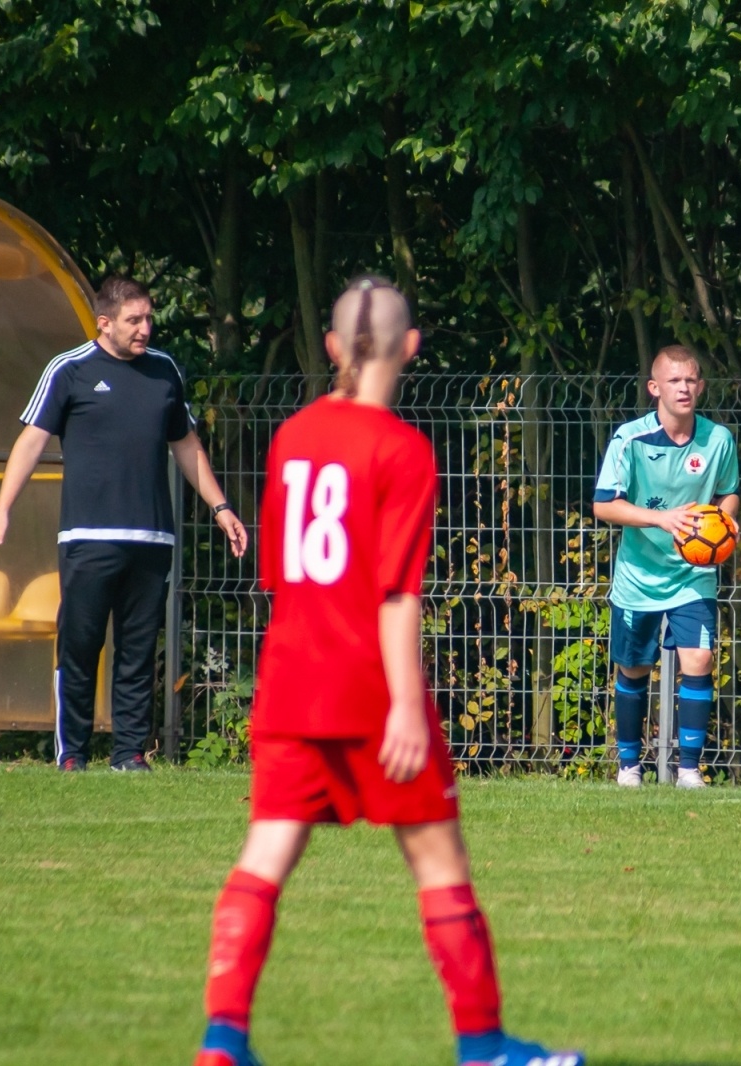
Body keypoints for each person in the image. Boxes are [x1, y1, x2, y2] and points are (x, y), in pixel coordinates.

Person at [193, 276, 581, 1066]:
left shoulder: (291, 438)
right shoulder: (404, 451)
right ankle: (483, 1048)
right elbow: (397, 592)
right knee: (438, 863)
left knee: (265, 854)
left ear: (332, 349)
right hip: (370, 686)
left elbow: (281, 576)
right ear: (411, 347)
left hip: (289, 682)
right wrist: (408, 704)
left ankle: (222, 1041)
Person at [0, 276, 247, 771]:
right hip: (88, 538)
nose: (145, 328)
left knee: (138, 652)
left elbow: (186, 446)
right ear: (104, 323)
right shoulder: (70, 370)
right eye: (134, 320)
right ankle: (72, 754)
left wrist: (221, 507)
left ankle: (129, 755)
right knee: (81, 646)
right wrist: (2, 508)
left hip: (151, 538)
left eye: (148, 318)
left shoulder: (165, 371)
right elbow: (32, 441)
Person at [592, 345, 740, 789]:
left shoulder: (718, 440)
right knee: (634, 667)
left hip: (692, 575)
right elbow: (604, 506)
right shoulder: (629, 439)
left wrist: (723, 524)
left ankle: (690, 770)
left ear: (701, 386)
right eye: (675, 381)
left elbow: (728, 492)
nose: (684, 388)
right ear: (654, 388)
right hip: (639, 577)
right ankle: (630, 766)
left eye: (692, 380)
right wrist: (664, 518)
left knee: (700, 657)